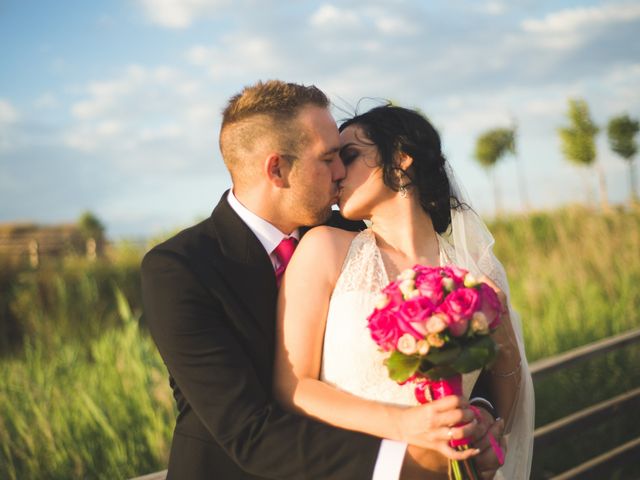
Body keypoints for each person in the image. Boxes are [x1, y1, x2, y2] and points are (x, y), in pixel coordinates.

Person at [141, 81, 504, 479]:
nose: (340, 172)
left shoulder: (352, 235)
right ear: (277, 169)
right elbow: (249, 431)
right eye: (329, 157)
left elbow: (469, 346)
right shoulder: (180, 269)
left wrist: (478, 414)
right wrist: (415, 461)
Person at [273, 104, 535, 479]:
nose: (336, 173)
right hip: (356, 468)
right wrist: (408, 424)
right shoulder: (324, 250)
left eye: (349, 156)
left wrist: (487, 426)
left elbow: (501, 402)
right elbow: (293, 386)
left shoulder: (476, 273)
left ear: (401, 159)